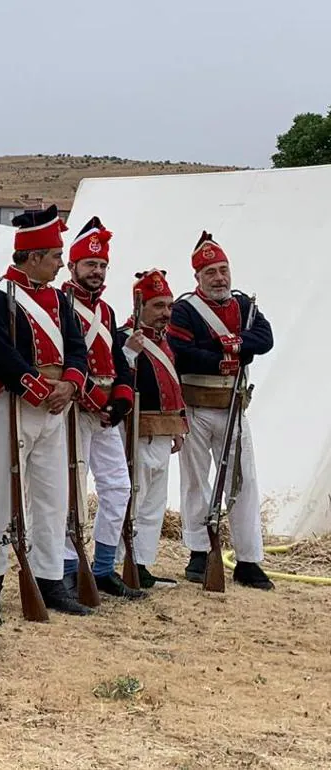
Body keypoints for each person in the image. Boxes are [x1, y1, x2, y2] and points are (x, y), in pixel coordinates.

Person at [0, 205, 92, 617]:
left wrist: (71, 384)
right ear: (35, 256)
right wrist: (35, 386)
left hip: (54, 405)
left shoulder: (60, 300)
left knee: (52, 496)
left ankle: (49, 578)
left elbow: (77, 348)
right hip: (13, 401)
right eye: (56, 256)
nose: (61, 263)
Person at [168, 233, 274, 589]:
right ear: (198, 277)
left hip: (232, 407)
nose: (219, 278)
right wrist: (221, 359)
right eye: (211, 272)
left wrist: (238, 344)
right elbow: (181, 350)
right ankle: (199, 552)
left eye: (223, 270)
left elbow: (265, 338)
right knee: (196, 483)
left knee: (242, 483)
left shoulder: (244, 306)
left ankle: (248, 559)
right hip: (196, 406)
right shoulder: (184, 309)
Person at [59, 218, 146, 600]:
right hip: (73, 408)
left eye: (102, 266)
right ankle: (65, 569)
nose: (96, 271)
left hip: (104, 411)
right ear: (72, 265)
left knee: (118, 486)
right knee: (69, 491)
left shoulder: (106, 312)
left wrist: (122, 398)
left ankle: (104, 566)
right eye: (90, 264)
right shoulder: (58, 304)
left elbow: (116, 360)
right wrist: (91, 396)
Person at [119, 269, 186, 588]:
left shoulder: (166, 342)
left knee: (153, 504)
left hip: (161, 430)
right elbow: (121, 375)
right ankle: (120, 562)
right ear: (140, 305)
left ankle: (142, 563)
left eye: (169, 306)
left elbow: (173, 388)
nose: (166, 313)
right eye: (158, 306)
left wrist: (178, 426)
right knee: (133, 497)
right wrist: (130, 350)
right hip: (136, 430)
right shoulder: (125, 337)